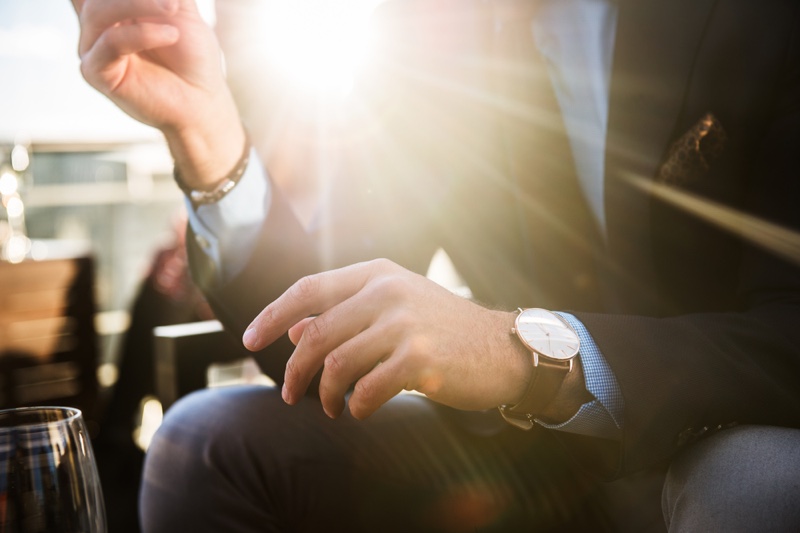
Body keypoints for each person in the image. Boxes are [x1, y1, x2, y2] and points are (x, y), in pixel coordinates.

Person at [71, 0, 800, 531]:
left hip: (732, 434)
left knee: (746, 486)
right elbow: (323, 322)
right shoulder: (441, 54)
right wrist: (207, 130)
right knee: (205, 442)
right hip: (536, 461)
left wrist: (522, 355)